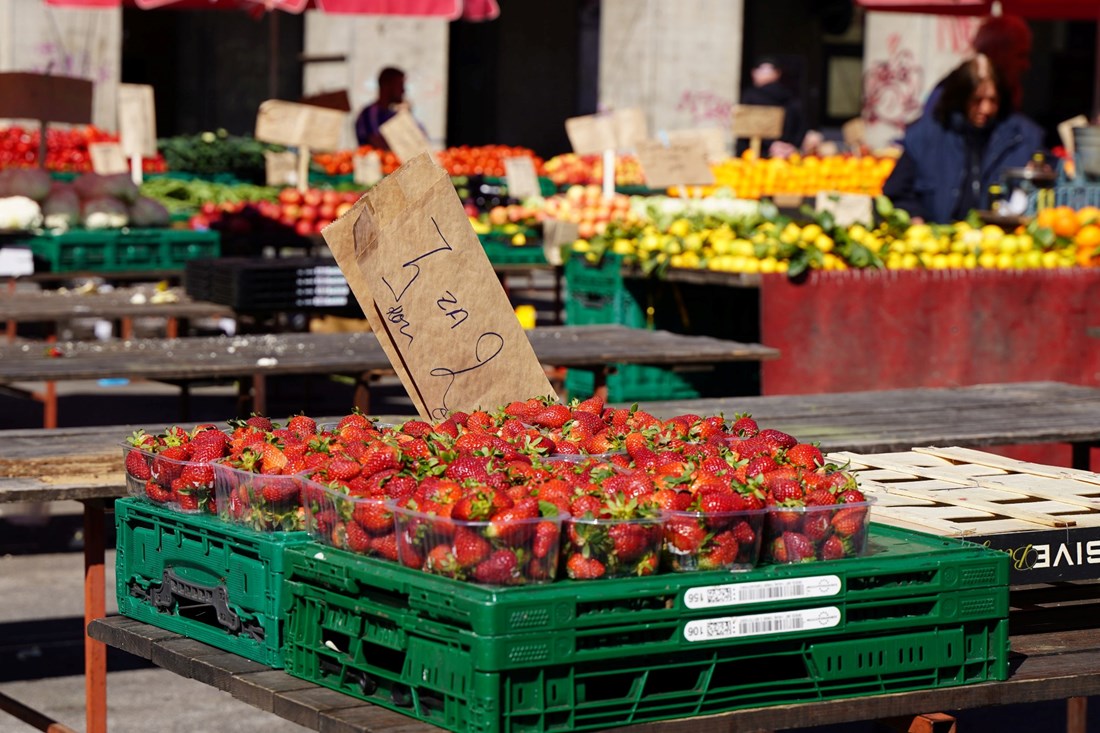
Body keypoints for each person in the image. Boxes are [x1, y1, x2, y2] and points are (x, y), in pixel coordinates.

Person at [883, 54, 1044, 224]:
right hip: (936, 242)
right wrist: (915, 218)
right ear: (960, 98)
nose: (986, 109)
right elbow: (897, 193)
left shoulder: (1023, 137)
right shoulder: (925, 136)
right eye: (977, 100)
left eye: (993, 100)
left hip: (1000, 243)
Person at [925, 15, 1032, 113]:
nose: (1026, 65)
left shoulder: (1007, 93)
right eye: (1021, 55)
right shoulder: (951, 94)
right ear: (996, 52)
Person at [739, 56, 806, 158]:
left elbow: (745, 127)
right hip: (786, 154)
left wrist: (772, 145)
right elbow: (801, 126)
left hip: (756, 156)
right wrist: (789, 146)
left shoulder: (750, 96)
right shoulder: (790, 96)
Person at [355, 67, 410, 150]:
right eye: (399, 85)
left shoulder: (393, 114)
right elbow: (379, 144)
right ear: (386, 86)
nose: (403, 90)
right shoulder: (369, 114)